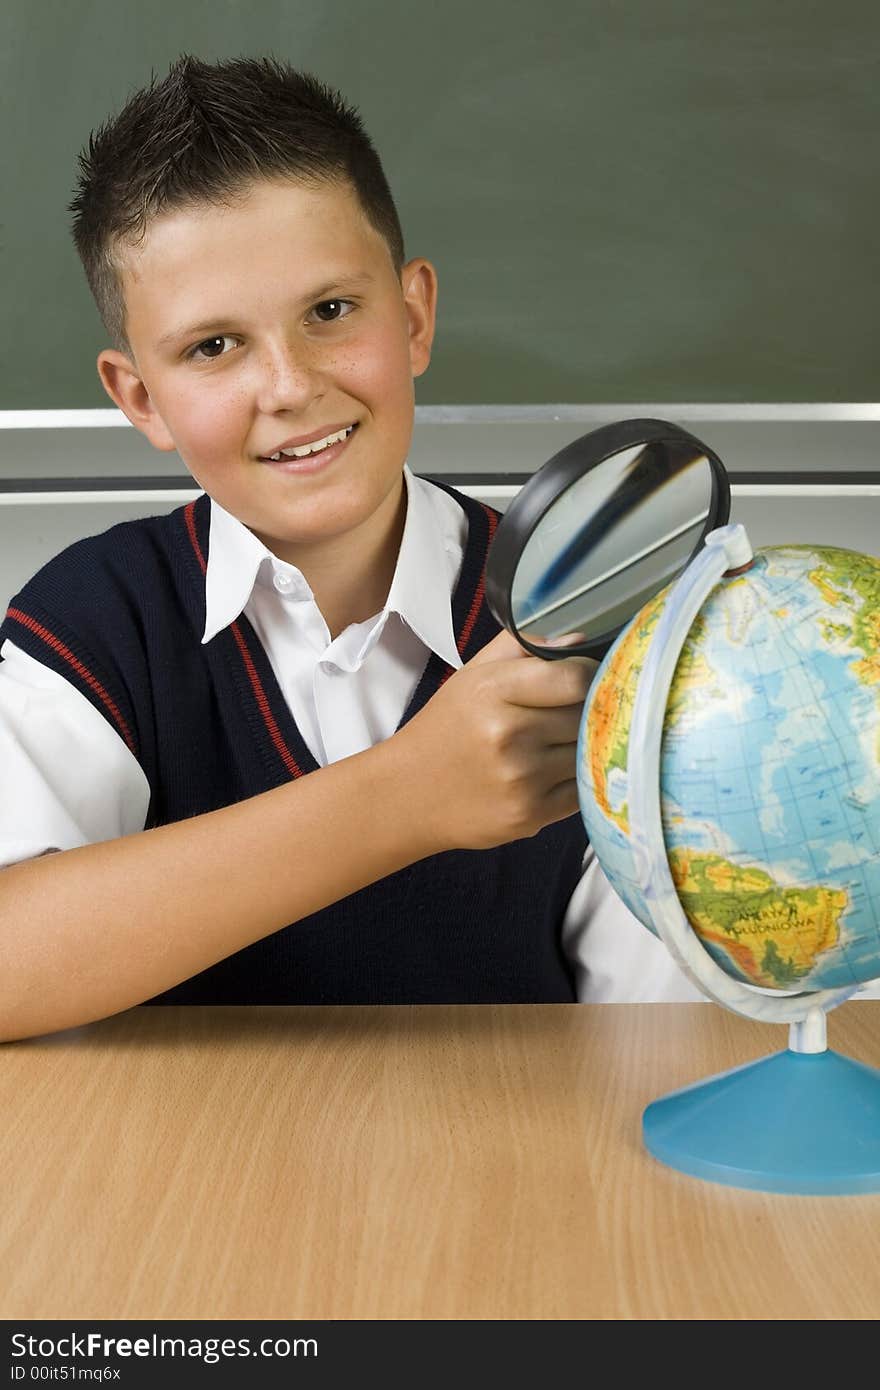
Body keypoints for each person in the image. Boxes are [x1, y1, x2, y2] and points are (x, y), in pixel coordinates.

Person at [0, 54, 699, 1042]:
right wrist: (408, 794)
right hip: (188, 1189)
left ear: (412, 315)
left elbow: (667, 1046)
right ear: (140, 397)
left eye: (330, 312)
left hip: (523, 1182)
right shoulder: (93, 623)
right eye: (213, 346)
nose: (287, 385)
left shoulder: (593, 632)